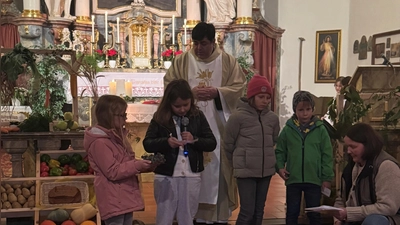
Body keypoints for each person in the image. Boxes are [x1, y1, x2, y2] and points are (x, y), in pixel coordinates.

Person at [164, 22, 246, 224]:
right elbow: (169, 85)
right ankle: (188, 215)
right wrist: (189, 94)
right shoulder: (182, 61)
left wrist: (217, 92)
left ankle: (216, 216)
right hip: (186, 127)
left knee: (216, 170)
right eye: (195, 43)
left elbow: (239, 88)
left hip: (218, 128)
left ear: (213, 42)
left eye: (203, 43)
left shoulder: (227, 62)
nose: (198, 48)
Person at [143, 79, 217, 225]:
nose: (182, 109)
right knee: (164, 217)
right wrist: (166, 142)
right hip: (166, 175)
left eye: (186, 105)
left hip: (191, 174)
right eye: (177, 106)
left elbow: (211, 143)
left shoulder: (197, 116)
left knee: (187, 217)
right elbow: (148, 143)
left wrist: (194, 139)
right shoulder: (160, 118)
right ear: (168, 103)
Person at [84, 95, 154, 225]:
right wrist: (137, 165)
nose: (125, 119)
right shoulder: (100, 142)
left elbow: (127, 161)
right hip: (112, 196)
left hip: (123, 194)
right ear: (108, 116)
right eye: (121, 115)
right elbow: (113, 171)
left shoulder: (116, 137)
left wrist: (146, 166)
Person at [223, 75, 280, 225]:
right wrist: (238, 163)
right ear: (251, 96)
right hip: (246, 172)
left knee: (259, 210)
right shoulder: (237, 117)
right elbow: (228, 144)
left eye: (268, 97)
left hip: (265, 171)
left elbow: (273, 140)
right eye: (261, 97)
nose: (265, 101)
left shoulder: (272, 118)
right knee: (247, 211)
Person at [275, 90, 334, 225]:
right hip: (293, 178)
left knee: (314, 214)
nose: (305, 113)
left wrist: (326, 178)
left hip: (314, 179)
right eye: (301, 110)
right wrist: (280, 167)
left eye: (308, 109)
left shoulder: (320, 129)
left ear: (313, 109)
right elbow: (280, 151)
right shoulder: (288, 130)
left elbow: (327, 155)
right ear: (295, 110)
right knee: (292, 213)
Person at [332, 123, 400, 225]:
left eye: (353, 147)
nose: (349, 151)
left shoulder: (386, 166)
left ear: (367, 145)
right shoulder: (350, 167)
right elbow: (341, 199)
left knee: (374, 221)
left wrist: (349, 213)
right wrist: (337, 218)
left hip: (383, 220)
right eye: (347, 147)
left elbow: (388, 207)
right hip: (354, 220)